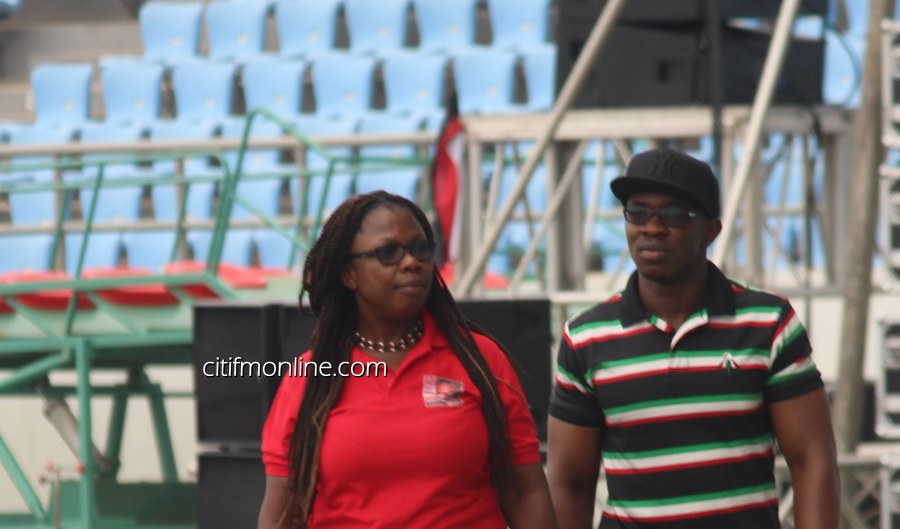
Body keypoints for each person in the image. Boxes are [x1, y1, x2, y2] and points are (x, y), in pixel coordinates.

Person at [546, 148, 839, 529]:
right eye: (637, 212)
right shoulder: (586, 337)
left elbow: (811, 460)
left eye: (673, 214)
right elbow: (569, 483)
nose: (652, 227)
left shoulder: (769, 324)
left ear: (710, 230)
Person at [258, 190, 557, 529]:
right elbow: (283, 512)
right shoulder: (310, 377)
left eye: (421, 249)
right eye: (388, 252)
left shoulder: (481, 360)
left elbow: (524, 493)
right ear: (348, 274)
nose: (411, 262)